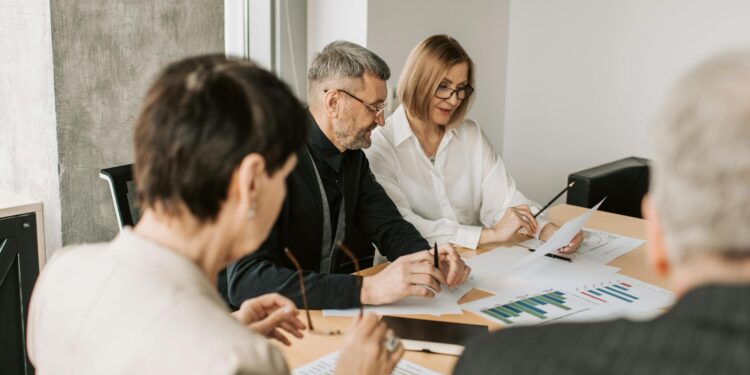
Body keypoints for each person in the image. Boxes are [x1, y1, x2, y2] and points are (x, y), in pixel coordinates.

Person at [26, 55, 403, 374]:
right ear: (252, 181)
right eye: (285, 173)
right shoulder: (239, 358)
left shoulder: (59, 275)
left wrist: (227, 323)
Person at [454, 50, 750, 374]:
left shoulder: (498, 362)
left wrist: (544, 226)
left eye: (461, 88)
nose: (454, 98)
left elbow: (507, 197)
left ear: (658, 236)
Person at [226, 41, 471, 310]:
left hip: (319, 313)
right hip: (256, 324)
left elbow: (388, 226)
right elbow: (244, 281)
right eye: (374, 107)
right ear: (333, 102)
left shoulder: (353, 157)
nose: (381, 121)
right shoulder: (266, 159)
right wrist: (367, 289)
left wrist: (427, 259)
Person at [365, 35, 582, 252]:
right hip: (410, 266)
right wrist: (491, 234)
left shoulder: (471, 134)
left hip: (474, 259)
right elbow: (401, 226)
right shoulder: (380, 144)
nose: (454, 99)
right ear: (418, 81)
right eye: (443, 86)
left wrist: (547, 230)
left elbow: (505, 201)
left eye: (461, 88)